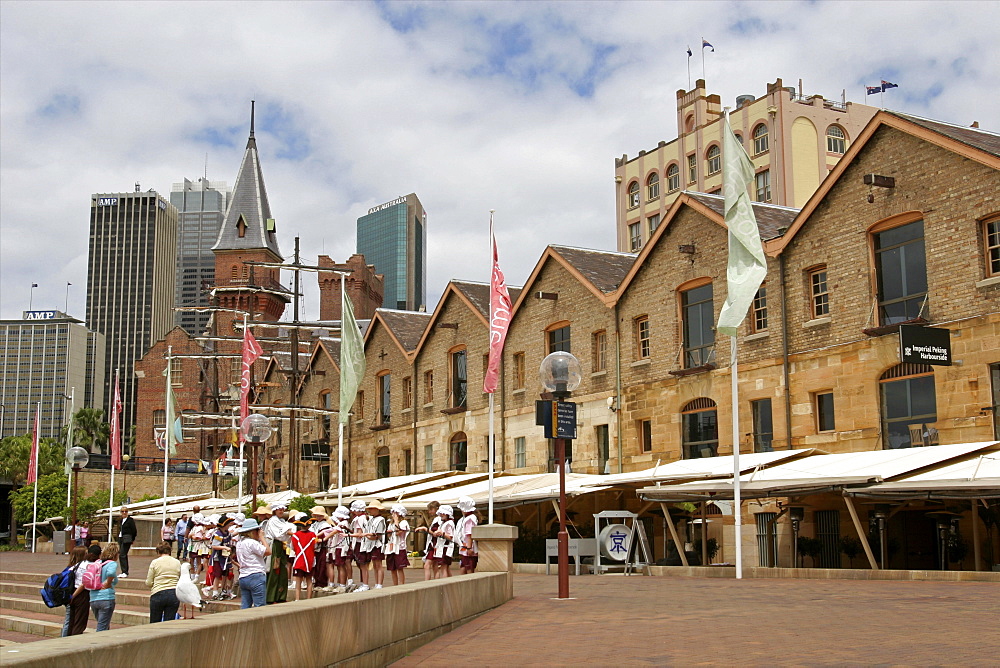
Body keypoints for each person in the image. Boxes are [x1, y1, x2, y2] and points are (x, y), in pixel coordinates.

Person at [234, 518, 270, 608]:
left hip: (243, 576)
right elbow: (268, 551)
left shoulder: (239, 543)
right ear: (253, 531)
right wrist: (262, 538)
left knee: (245, 606)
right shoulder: (252, 542)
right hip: (256, 575)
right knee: (260, 606)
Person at [263, 503, 295, 604]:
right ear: (275, 511)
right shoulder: (273, 520)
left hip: (280, 545)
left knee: (282, 570)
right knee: (275, 569)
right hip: (274, 546)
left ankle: (280, 595)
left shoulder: (281, 521)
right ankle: (271, 597)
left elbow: (287, 530)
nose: (281, 511)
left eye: (282, 510)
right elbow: (279, 533)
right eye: (279, 510)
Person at [145, 542, 181, 623]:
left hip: (158, 592)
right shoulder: (177, 562)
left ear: (158, 552)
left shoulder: (155, 562)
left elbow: (149, 582)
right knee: (169, 622)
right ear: (169, 551)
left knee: (155, 622)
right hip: (174, 593)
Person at [60, 546, 90, 637]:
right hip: (78, 594)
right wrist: (73, 595)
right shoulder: (83, 566)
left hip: (69, 593)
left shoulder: (70, 567)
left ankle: (64, 638)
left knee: (69, 620)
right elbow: (83, 584)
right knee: (77, 621)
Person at [89, 542, 120, 632]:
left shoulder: (98, 563)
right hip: (106, 597)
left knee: (103, 624)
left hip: (94, 598)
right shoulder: (112, 563)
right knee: (102, 627)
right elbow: (110, 573)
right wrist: (108, 582)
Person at [207, 516, 235, 600]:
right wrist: (224, 548)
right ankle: (215, 592)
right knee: (217, 575)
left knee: (225, 574)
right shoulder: (218, 534)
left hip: (226, 557)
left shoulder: (227, 533)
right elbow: (214, 546)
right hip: (218, 558)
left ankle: (224, 591)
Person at [361, 501, 387, 589]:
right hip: (371, 544)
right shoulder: (372, 519)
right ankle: (377, 583)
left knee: (378, 564)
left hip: (377, 544)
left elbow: (377, 535)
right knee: (375, 565)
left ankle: (379, 584)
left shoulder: (381, 520)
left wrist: (367, 536)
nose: (370, 511)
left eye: (372, 509)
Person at [290, 514, 316, 601]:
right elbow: (315, 547)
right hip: (310, 560)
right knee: (309, 580)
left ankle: (297, 598)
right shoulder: (313, 535)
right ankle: (309, 598)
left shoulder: (295, 535)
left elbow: (293, 547)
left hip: (299, 560)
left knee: (298, 582)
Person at [413, 500, 441, 582]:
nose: (429, 512)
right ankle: (436, 583)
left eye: (431, 510)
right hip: (434, 544)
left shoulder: (438, 519)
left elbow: (435, 533)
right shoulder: (436, 519)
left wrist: (424, 528)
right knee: (435, 565)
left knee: (427, 565)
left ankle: (427, 582)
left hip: (434, 544)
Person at [386, 505, 411, 586]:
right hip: (391, 547)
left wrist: (396, 520)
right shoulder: (391, 523)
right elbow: (390, 536)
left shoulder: (403, 523)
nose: (393, 514)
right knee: (392, 568)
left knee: (400, 568)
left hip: (400, 547)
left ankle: (401, 585)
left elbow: (398, 532)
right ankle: (395, 585)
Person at [348, 500, 370, 591]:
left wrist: (348, 535)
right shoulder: (365, 518)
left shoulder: (359, 519)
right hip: (364, 543)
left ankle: (365, 584)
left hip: (360, 543)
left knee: (363, 565)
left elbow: (359, 533)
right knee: (362, 565)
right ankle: (364, 583)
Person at [455, 497, 479, 575]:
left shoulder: (470, 519)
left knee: (469, 568)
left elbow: (469, 534)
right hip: (465, 546)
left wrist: (469, 548)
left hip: (468, 547)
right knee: (464, 566)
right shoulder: (467, 518)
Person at [308, 506, 331, 590]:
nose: (318, 517)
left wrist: (318, 539)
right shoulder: (314, 524)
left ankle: (321, 583)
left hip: (322, 547)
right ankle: (316, 581)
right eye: (316, 515)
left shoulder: (325, 525)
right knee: (315, 565)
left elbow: (325, 535)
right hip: (314, 547)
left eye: (320, 515)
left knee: (321, 565)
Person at [431, 505, 456, 579]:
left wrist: (442, 533)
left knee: (444, 567)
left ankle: (445, 584)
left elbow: (450, 537)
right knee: (446, 568)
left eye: (443, 513)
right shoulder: (444, 523)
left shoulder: (449, 523)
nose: (441, 515)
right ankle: (451, 584)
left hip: (446, 548)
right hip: (442, 547)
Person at [117, 507, 136, 577]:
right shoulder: (121, 520)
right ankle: (123, 571)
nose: (124, 513)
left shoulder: (130, 520)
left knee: (122, 554)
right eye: (122, 511)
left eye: (126, 511)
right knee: (122, 554)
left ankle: (125, 571)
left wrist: (132, 539)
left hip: (127, 538)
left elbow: (134, 530)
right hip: (121, 538)